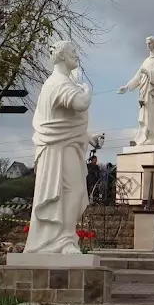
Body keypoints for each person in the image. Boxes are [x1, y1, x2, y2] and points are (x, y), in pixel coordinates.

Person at [25, 41, 103, 255]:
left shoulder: (59, 83)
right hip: (58, 150)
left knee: (71, 192)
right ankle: (64, 240)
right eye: (73, 53)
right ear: (62, 56)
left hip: (64, 145)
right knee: (73, 191)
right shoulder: (58, 83)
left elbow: (63, 123)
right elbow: (80, 103)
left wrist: (88, 138)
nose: (76, 56)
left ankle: (64, 238)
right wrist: (87, 90)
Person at [118, 36, 154, 146]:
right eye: (147, 43)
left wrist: (148, 71)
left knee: (153, 116)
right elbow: (138, 77)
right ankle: (145, 136)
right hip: (145, 94)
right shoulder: (146, 61)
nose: (148, 45)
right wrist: (127, 87)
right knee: (145, 116)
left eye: (150, 43)